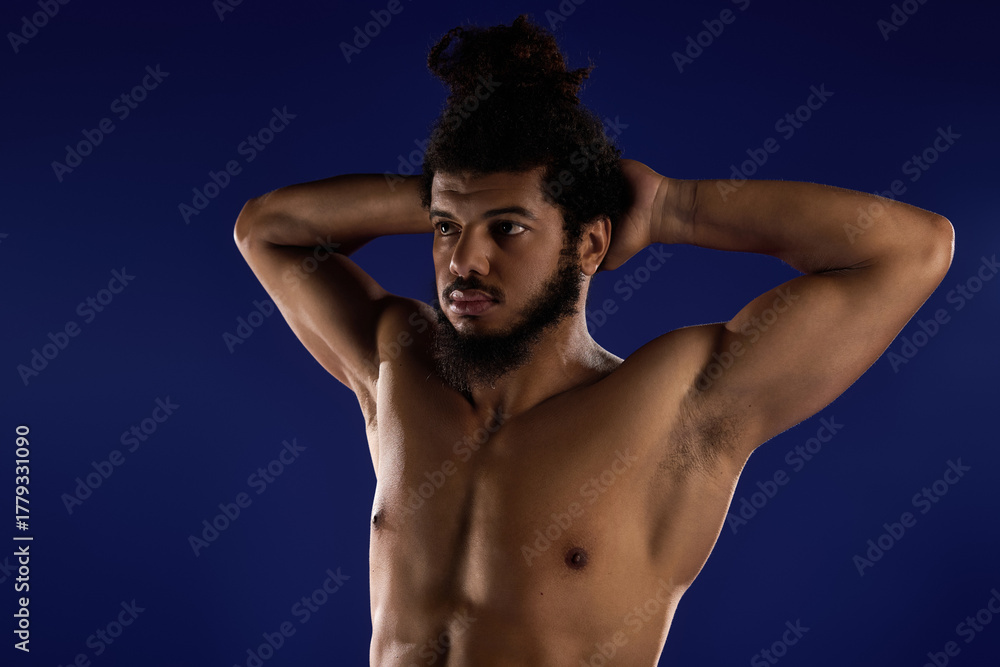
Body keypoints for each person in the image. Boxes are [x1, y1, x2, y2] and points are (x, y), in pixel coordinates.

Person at [233, 14, 954, 666]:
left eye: (508, 230)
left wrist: (672, 207)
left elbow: (911, 250)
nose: (463, 262)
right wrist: (453, 195)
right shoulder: (399, 366)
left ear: (589, 244)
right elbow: (266, 229)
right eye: (445, 230)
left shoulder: (675, 406)